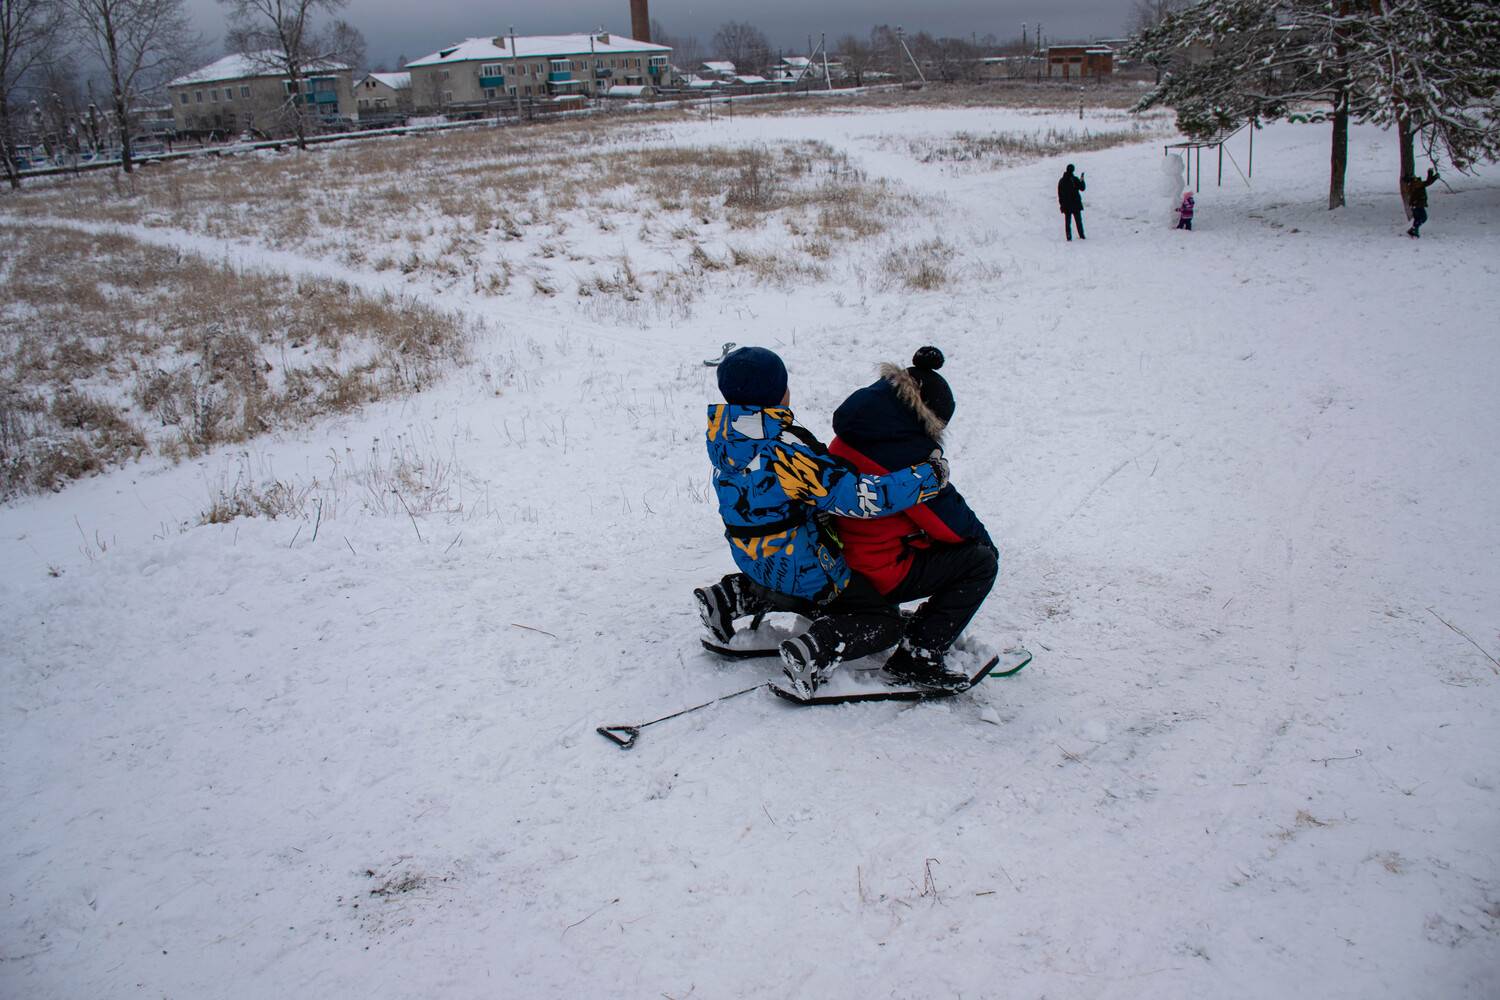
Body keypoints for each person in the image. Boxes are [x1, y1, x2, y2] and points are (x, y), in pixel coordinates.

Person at [692, 347, 950, 696]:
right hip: (802, 565)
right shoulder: (784, 448)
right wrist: (927, 477)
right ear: (779, 393)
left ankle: (728, 597)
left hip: (752, 555)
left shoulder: (727, 437)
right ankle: (816, 650)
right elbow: (858, 498)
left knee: (785, 578)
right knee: (884, 620)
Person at [827, 347, 998, 689]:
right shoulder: (906, 459)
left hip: (839, 560)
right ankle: (918, 656)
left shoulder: (854, 430)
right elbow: (951, 524)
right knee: (980, 562)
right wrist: (986, 545)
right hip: (876, 570)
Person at [1403, 168, 1440, 238]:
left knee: (1417, 218)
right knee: (1423, 218)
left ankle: (1414, 231)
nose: (1415, 177)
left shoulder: (1411, 185)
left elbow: (1427, 182)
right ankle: (1414, 230)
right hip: (1418, 204)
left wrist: (1432, 175)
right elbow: (1427, 183)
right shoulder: (1415, 184)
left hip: (1414, 205)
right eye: (1413, 176)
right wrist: (1431, 174)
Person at [1058, 163, 1086, 241]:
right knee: (1078, 221)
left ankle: (1069, 236)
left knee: (1067, 222)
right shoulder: (1074, 179)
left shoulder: (1061, 181)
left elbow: (1060, 194)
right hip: (1075, 204)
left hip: (1066, 205)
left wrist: (1061, 205)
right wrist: (1082, 180)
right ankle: (1081, 235)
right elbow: (1082, 188)